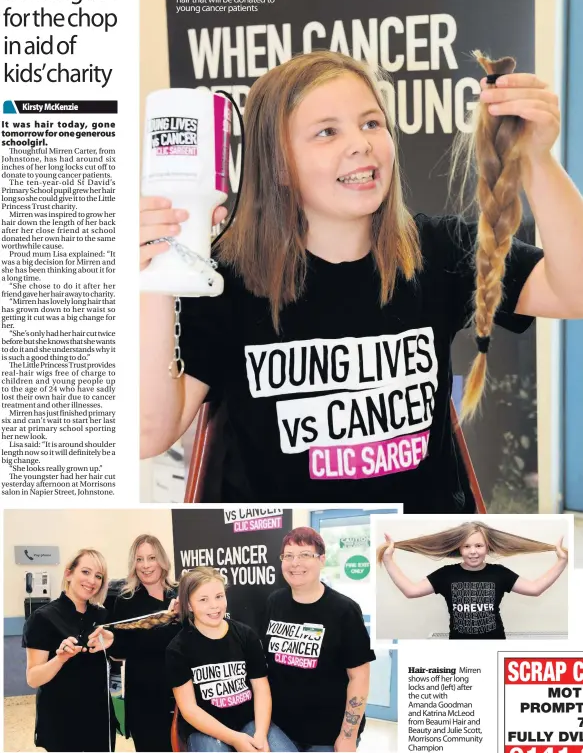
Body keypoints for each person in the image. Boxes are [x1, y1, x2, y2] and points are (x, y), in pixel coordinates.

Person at [140, 50, 583, 511]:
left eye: (372, 123)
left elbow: (574, 290)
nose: (361, 143)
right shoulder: (225, 279)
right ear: (277, 165)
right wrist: (153, 271)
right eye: (327, 131)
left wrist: (536, 159)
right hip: (291, 556)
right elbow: (149, 434)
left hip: (420, 549)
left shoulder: (440, 250)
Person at [263, 527, 375, 752]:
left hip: (328, 734)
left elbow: (359, 678)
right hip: (281, 729)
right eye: (289, 556)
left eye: (305, 555)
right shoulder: (275, 602)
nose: (295, 563)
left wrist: (348, 736)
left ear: (322, 559)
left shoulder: (345, 610)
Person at [165, 567, 292, 752]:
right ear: (189, 605)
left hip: (250, 723)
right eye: (203, 600)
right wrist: (234, 739)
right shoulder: (178, 648)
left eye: (219, 596)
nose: (214, 606)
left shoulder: (246, 636)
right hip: (205, 730)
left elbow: (261, 689)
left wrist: (261, 734)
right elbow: (189, 709)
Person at [378, 521, 568, 639]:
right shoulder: (446, 574)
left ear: (488, 547)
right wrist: (388, 560)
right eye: (467, 546)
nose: (473, 551)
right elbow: (411, 591)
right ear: (459, 549)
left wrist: (561, 561)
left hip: (494, 649)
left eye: (479, 545)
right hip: (460, 653)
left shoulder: (499, 574)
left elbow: (535, 588)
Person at [22, 549, 116, 752]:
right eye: (85, 572)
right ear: (68, 573)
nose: (92, 580)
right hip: (61, 721)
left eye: (98, 576)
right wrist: (60, 658)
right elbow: (33, 678)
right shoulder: (42, 618)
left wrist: (114, 641)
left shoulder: (102, 616)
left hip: (99, 720)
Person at [110, 535, 180, 751]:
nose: (146, 565)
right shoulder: (125, 600)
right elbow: (117, 652)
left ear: (162, 560)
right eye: (139, 559)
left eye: (152, 557)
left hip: (183, 696)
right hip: (145, 699)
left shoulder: (179, 595)